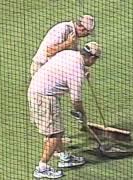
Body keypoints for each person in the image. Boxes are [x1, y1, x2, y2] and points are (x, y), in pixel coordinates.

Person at [28, 42, 102, 179]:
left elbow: (58, 67)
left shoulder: (69, 54)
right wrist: (82, 115)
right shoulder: (77, 72)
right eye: (96, 59)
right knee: (55, 134)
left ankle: (64, 157)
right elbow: (76, 101)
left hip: (37, 90)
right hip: (44, 97)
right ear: (91, 58)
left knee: (57, 130)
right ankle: (42, 168)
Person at [30, 15, 95, 77]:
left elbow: (72, 56)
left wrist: (82, 68)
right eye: (87, 33)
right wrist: (67, 43)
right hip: (42, 67)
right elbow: (49, 52)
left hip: (53, 69)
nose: (86, 35)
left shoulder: (74, 34)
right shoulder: (63, 29)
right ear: (82, 28)